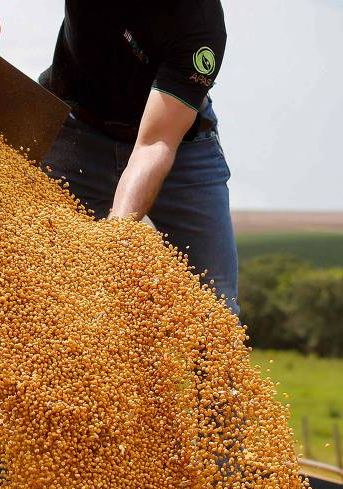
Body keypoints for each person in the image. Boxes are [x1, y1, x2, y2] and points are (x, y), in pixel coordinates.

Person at [41, 0, 238, 314]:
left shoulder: (200, 25)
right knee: (35, 280)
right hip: (76, 128)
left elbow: (155, 143)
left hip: (180, 146)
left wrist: (116, 236)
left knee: (216, 306)